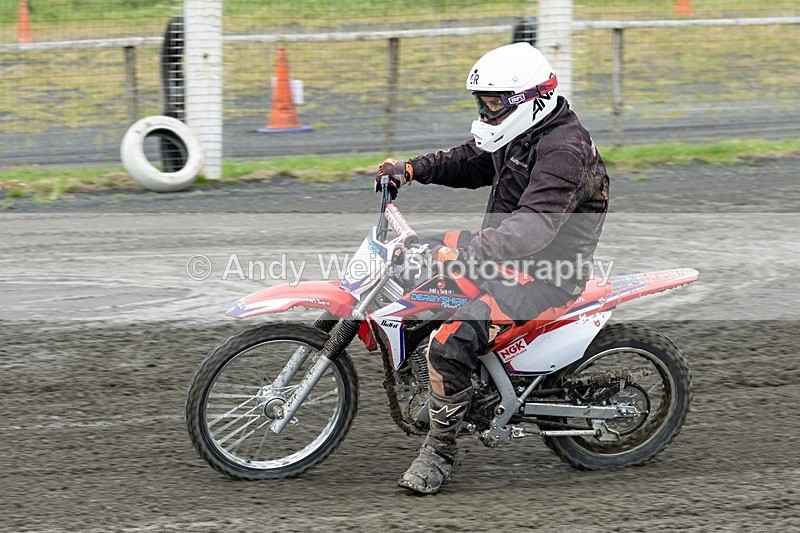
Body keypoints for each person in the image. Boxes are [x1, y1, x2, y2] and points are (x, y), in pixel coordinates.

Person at [374, 42, 609, 494]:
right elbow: (473, 160)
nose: (486, 111)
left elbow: (531, 229)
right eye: (482, 102)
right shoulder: (522, 133)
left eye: (495, 103)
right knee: (413, 262)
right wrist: (411, 169)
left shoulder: (564, 150)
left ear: (530, 99)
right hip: (502, 256)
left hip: (543, 276)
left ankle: (439, 452)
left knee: (449, 340)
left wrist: (467, 255)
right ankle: (446, 384)